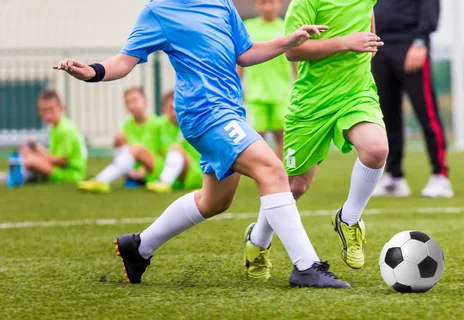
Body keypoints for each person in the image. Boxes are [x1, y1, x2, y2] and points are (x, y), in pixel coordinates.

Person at [54, 0, 348, 288]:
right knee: (271, 168)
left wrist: (288, 41)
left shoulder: (221, 3)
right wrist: (92, 72)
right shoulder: (158, 10)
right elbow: (123, 61)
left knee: (215, 201)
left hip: (230, 111)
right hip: (204, 113)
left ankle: (139, 248)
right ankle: (306, 266)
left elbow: (245, 53)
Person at [244, 0, 388, 278]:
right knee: (295, 186)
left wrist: (365, 43)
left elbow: (367, 23)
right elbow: (293, 51)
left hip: (356, 94)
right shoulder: (305, 2)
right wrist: (346, 42)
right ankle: (258, 241)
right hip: (311, 104)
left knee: (376, 149)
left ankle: (349, 219)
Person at [371, 0, 454, 198]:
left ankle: (440, 176)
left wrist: (420, 41)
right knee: (387, 116)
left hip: (410, 44)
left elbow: (430, 6)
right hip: (380, 45)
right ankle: (394, 178)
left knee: (427, 113)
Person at [237, 0, 296, 160]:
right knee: (256, 139)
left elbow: (296, 63)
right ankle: (264, 175)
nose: (268, 6)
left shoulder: (287, 27)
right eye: (263, 2)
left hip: (282, 94)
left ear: (280, 4)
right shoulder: (248, 27)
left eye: (271, 2)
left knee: (283, 138)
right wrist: (236, 87)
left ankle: (281, 176)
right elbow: (240, 61)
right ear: (256, 4)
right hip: (256, 95)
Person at [77, 87, 163, 193]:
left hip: (154, 169)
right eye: (128, 102)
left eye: (135, 101)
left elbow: (162, 153)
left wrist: (143, 171)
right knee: (119, 137)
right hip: (133, 171)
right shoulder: (126, 126)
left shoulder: (159, 123)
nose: (131, 106)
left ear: (145, 101)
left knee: (136, 149)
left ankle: (101, 180)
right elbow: (119, 156)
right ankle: (128, 177)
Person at [6, 89, 87, 186]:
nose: (47, 115)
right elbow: (53, 155)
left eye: (51, 109)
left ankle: (26, 176)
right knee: (28, 154)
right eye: (43, 110)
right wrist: (36, 148)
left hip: (70, 175)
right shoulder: (56, 126)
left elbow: (63, 161)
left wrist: (37, 158)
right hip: (62, 170)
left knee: (29, 160)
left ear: (61, 108)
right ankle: (24, 174)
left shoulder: (64, 129)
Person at [146, 91, 204, 193]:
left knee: (175, 148)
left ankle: (164, 181)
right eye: (171, 108)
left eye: (177, 107)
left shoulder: (194, 125)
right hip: (170, 170)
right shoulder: (160, 125)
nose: (174, 112)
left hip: (195, 174)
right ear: (164, 110)